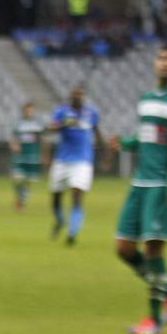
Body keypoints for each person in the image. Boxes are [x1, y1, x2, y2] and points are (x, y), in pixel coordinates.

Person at [108, 44, 167, 334]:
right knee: (123, 248)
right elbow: (148, 137)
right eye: (162, 58)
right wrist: (126, 143)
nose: (166, 63)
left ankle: (154, 320)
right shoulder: (146, 100)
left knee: (153, 249)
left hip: (161, 185)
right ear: (154, 63)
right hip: (139, 183)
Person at [46, 84, 102, 246]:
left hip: (83, 161)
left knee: (77, 196)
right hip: (62, 160)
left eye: (80, 95)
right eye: (74, 95)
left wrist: (105, 152)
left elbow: (97, 131)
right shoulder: (62, 111)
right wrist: (64, 123)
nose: (77, 97)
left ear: (83, 96)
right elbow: (49, 128)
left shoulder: (91, 112)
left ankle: (72, 232)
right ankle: (59, 220)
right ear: (70, 96)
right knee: (56, 197)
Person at [9, 101, 43, 210]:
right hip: (21, 154)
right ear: (24, 111)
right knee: (16, 177)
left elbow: (42, 139)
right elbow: (13, 136)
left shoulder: (37, 123)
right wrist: (14, 145)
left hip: (33, 154)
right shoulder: (18, 123)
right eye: (27, 110)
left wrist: (44, 154)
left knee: (29, 179)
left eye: (31, 110)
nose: (29, 112)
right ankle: (20, 196)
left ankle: (22, 199)